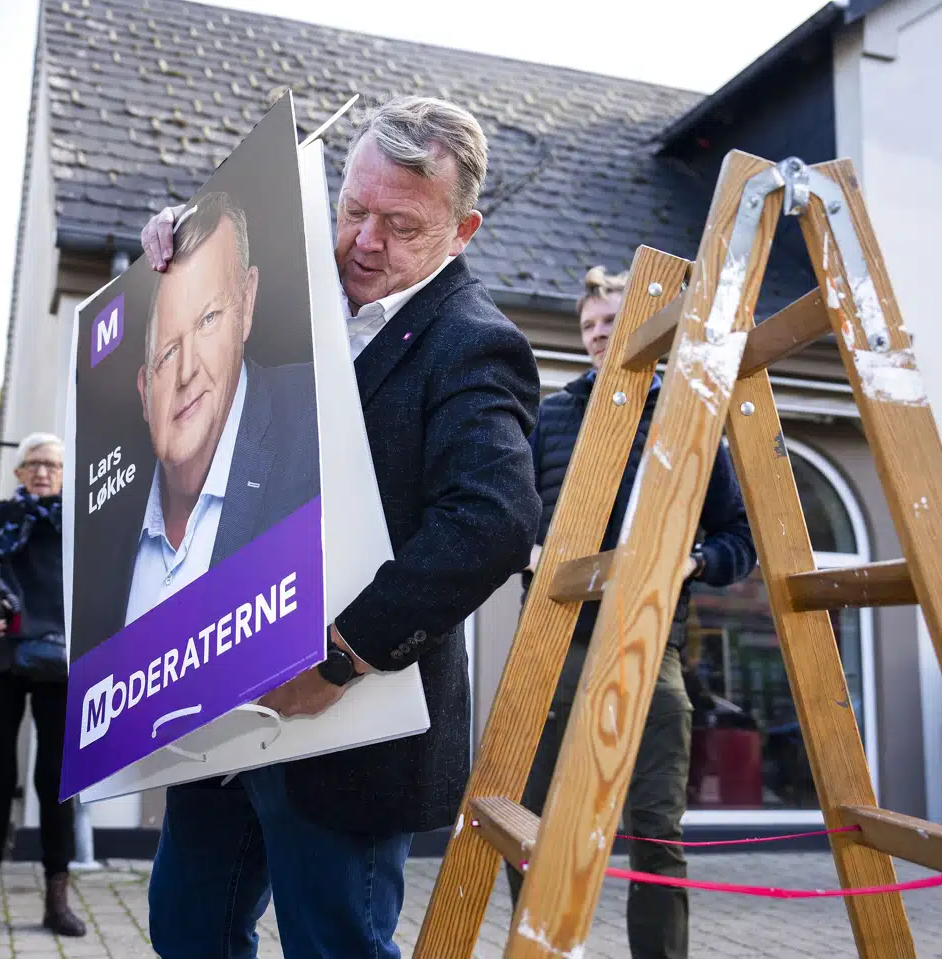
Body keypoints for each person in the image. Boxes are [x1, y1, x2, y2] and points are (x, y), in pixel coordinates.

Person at [138, 95, 541, 957]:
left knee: (333, 946)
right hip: (228, 699)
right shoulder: (296, 296)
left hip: (345, 725)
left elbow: (493, 520)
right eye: (354, 209)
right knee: (187, 930)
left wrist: (341, 656)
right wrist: (181, 247)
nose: (364, 240)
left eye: (401, 225)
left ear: (462, 231)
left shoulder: (474, 342)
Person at [509, 266, 757, 959]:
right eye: (588, 325)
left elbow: (739, 538)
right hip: (556, 640)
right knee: (522, 819)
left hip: (652, 641)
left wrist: (694, 561)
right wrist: (526, 548)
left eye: (611, 322)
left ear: (647, 331)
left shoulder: (690, 416)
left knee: (656, 831)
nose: (597, 335)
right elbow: (508, 512)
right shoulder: (555, 415)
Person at [119, 189, 319, 630]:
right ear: (144, 392)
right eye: (167, 352)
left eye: (208, 319)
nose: (187, 371)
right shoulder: (109, 538)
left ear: (247, 303)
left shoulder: (315, 415)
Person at [0, 433, 85, 938]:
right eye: (34, 464)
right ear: (19, 472)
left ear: (65, 474)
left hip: (61, 664)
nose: (43, 472)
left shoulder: (83, 524)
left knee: (56, 781)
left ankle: (57, 903)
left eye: (52, 465)